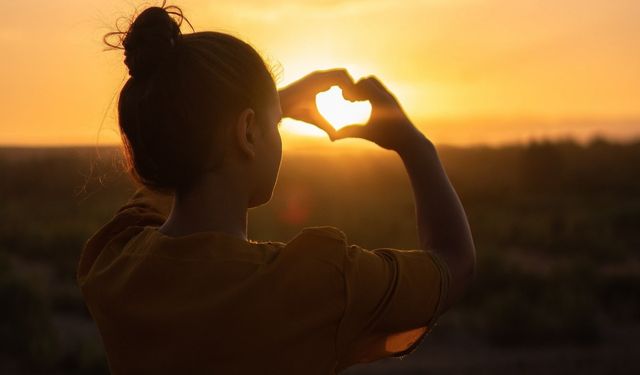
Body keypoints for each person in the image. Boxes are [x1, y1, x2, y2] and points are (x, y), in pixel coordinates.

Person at [77, 3, 476, 374]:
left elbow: (173, 166)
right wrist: (415, 145)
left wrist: (257, 108)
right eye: (275, 125)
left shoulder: (113, 264)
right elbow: (453, 264)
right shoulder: (317, 284)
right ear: (248, 131)